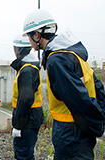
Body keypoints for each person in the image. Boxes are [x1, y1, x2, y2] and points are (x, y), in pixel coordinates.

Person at [22, 9, 105, 159]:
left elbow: (79, 100)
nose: (29, 40)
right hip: (79, 131)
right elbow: (98, 86)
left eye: (29, 36)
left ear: (36, 34)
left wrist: (97, 125)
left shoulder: (56, 60)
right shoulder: (71, 53)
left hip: (71, 133)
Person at [11, 34, 44, 160]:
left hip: (27, 122)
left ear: (17, 50)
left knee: (23, 154)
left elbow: (25, 99)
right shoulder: (30, 67)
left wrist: (18, 125)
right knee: (27, 153)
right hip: (32, 118)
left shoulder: (26, 70)